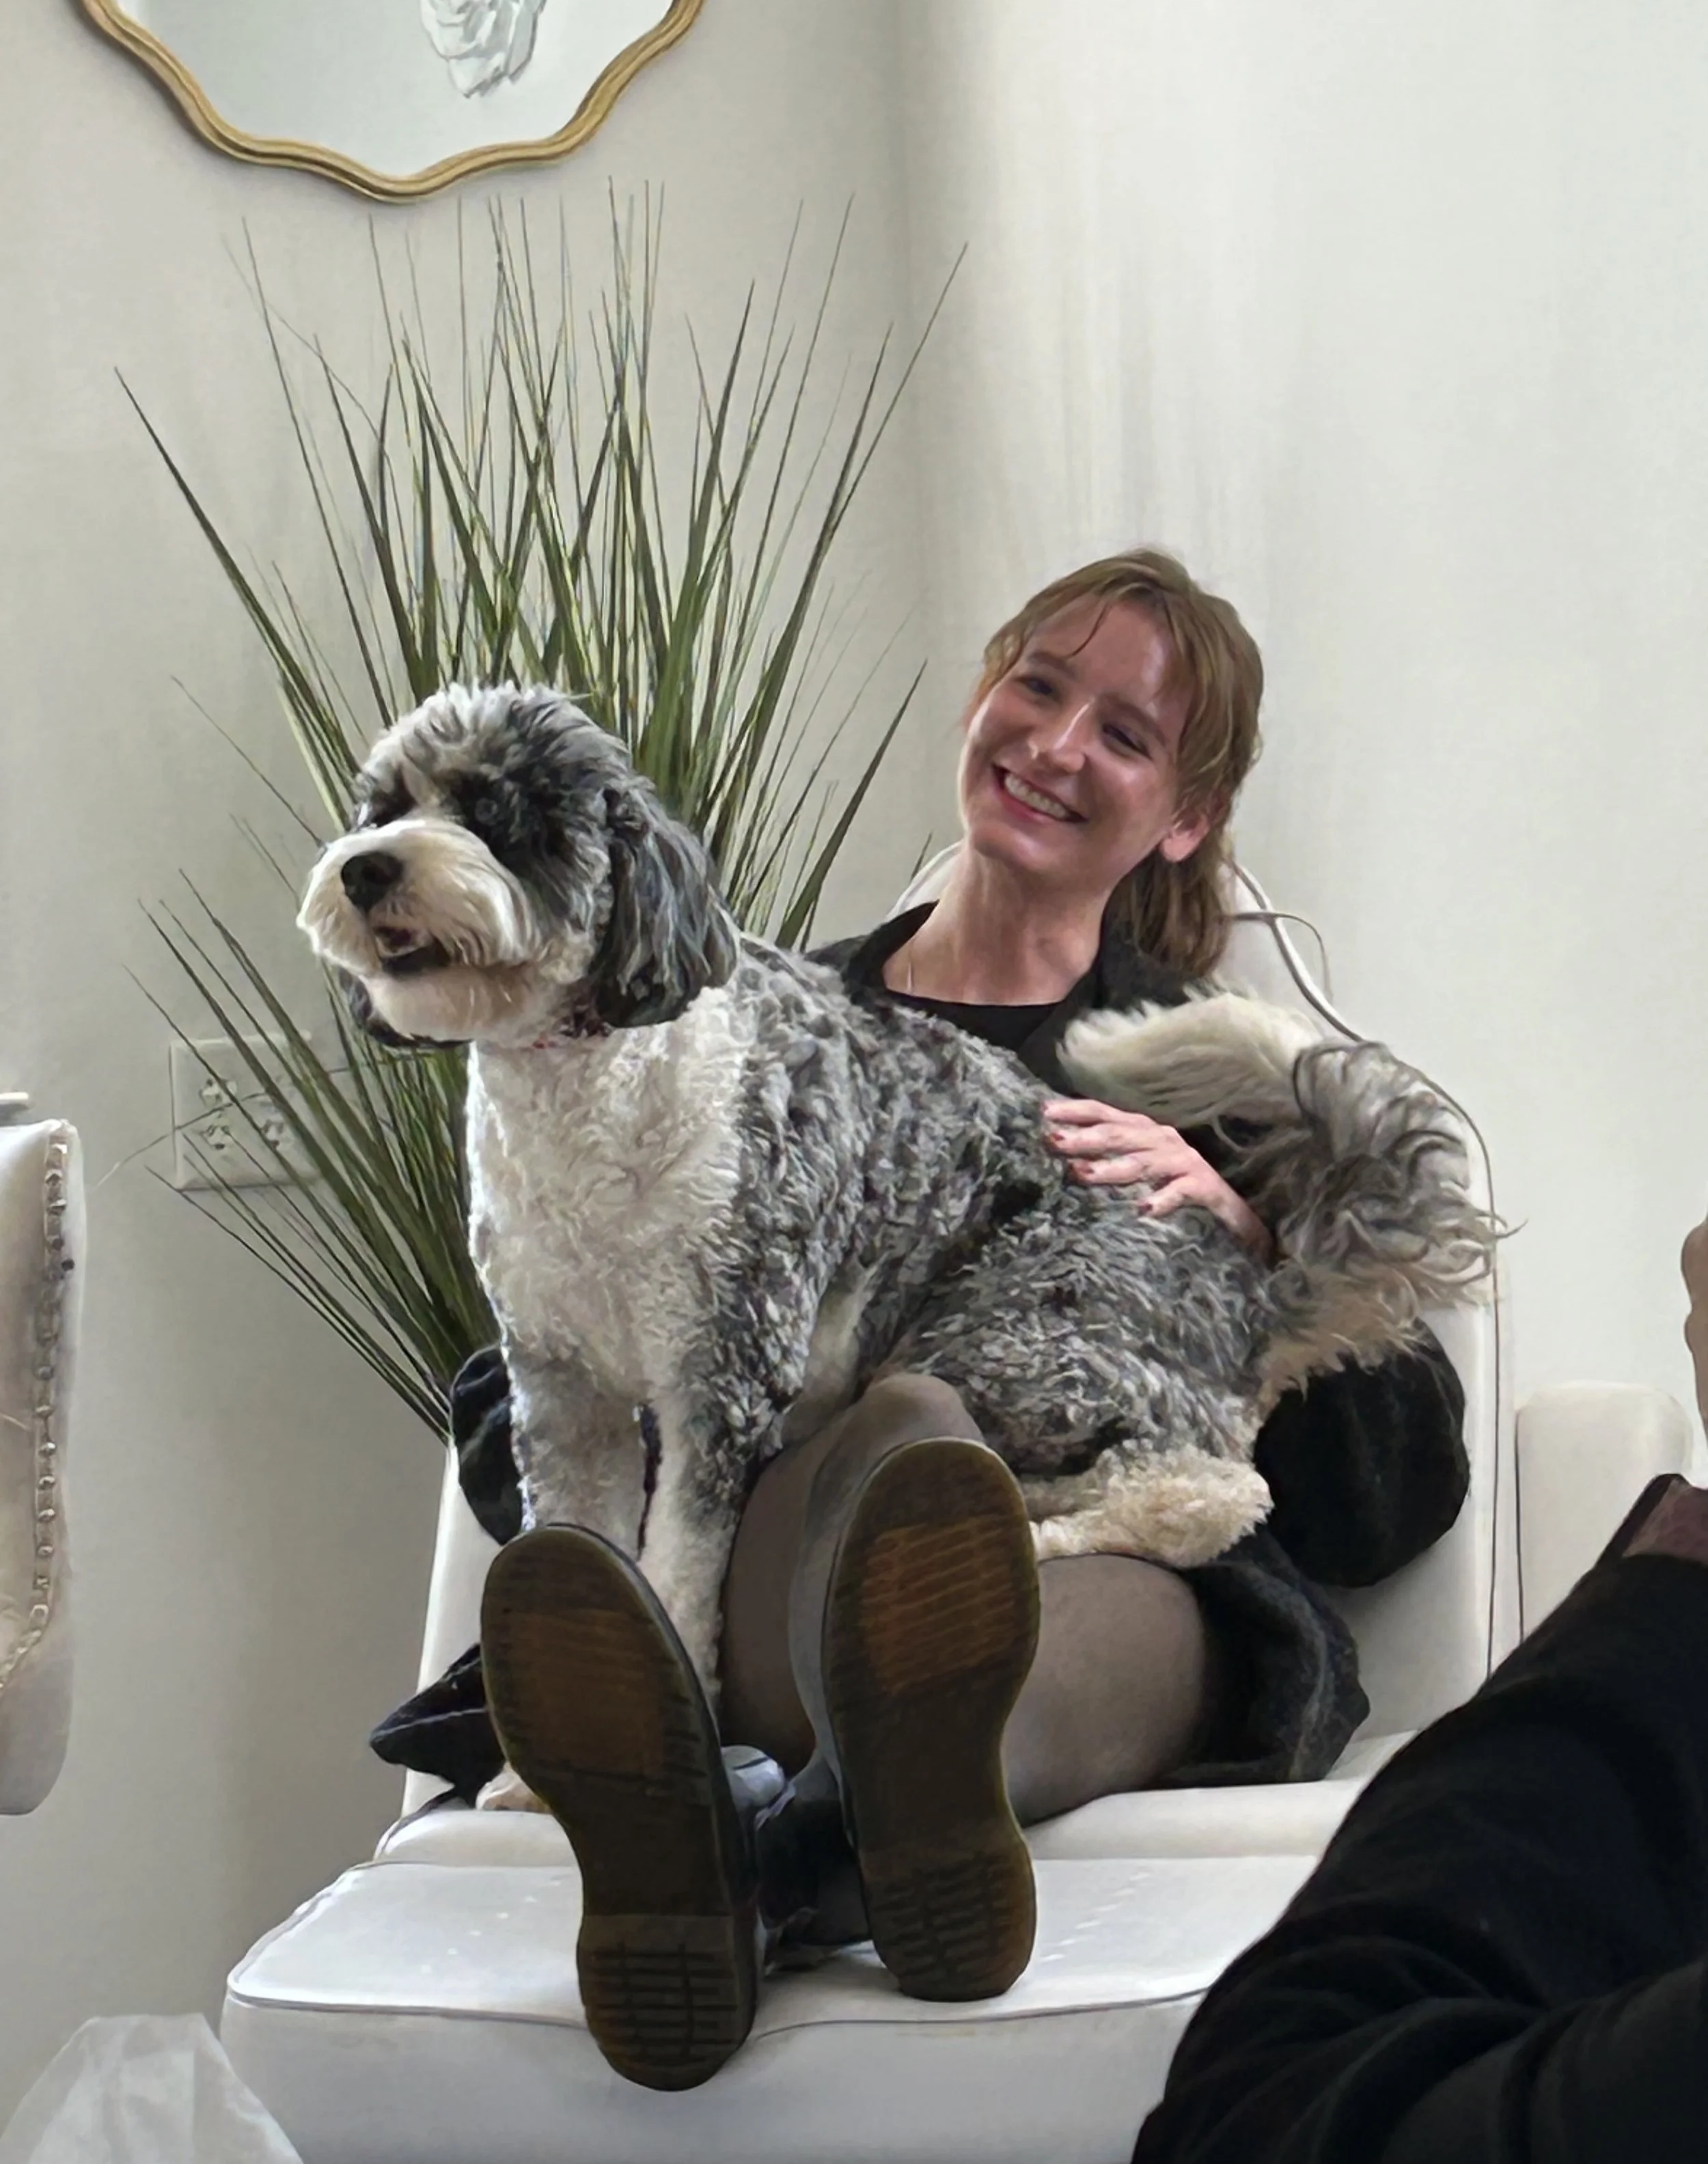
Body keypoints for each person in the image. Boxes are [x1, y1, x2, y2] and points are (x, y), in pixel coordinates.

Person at [372, 547, 1470, 2090]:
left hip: (1109, 1567)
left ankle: (754, 1866)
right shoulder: (716, 1017)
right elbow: (531, 1370)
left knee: (968, 1540)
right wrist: (647, 1432)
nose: (1054, 744)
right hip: (780, 1561)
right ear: (980, 698)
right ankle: (816, 1825)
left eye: (1124, 732)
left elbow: (1402, 1489)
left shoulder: (1209, 1103)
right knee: (883, 1476)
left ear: (1185, 816)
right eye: (1035, 686)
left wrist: (1246, 1221)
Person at [1130, 1231, 1708, 2164]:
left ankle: (856, 1809)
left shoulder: (1235, 1154)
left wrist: (1265, 1253)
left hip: (1146, 1585)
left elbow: (1388, 1498)